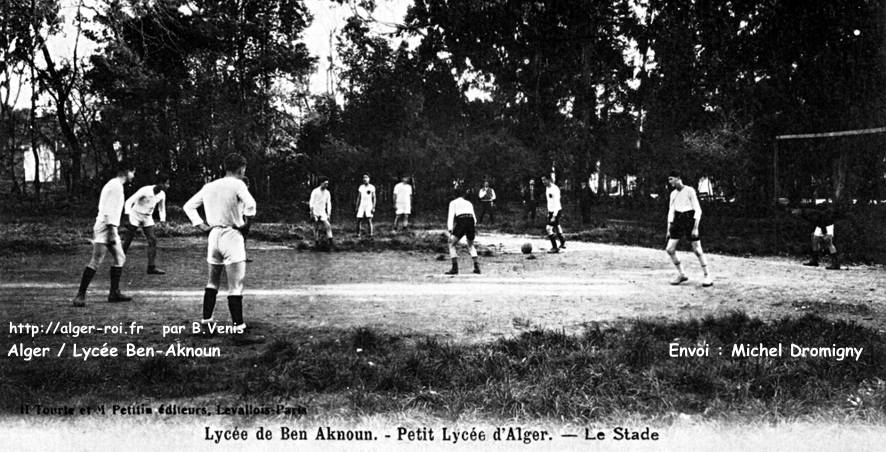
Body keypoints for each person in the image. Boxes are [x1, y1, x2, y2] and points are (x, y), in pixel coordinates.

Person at [183, 153, 259, 340]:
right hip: (232, 235)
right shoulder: (238, 184)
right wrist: (246, 225)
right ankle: (239, 330)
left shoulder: (209, 186)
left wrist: (201, 225)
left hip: (213, 235)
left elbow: (188, 206)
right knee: (235, 286)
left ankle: (206, 324)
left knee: (212, 282)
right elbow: (251, 205)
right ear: (241, 168)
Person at [71, 162, 136, 307]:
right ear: (127, 171)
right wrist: (112, 232)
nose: (134, 175)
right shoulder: (115, 186)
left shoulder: (115, 185)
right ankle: (80, 295)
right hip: (105, 227)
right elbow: (108, 211)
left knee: (120, 257)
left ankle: (114, 293)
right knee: (96, 260)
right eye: (133, 172)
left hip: (110, 226)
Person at [665, 171, 712, 287]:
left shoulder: (690, 190)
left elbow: (698, 210)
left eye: (671, 179)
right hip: (678, 221)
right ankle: (682, 274)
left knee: (697, 250)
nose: (670, 182)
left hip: (689, 219)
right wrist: (668, 229)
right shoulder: (673, 194)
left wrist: (695, 228)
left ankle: (707, 276)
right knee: (670, 249)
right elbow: (671, 211)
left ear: (678, 178)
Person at [121, 173, 169, 274]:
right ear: (160, 183)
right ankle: (118, 262)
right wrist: (127, 216)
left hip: (147, 217)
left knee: (152, 240)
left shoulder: (162, 195)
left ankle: (151, 267)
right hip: (135, 215)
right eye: (167, 184)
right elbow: (129, 202)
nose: (168, 186)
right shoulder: (145, 190)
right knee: (128, 239)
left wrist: (163, 220)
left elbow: (161, 208)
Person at [788, 202, 840, 269]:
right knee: (814, 240)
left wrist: (825, 233)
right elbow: (815, 222)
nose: (792, 212)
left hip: (827, 224)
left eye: (793, 210)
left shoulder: (808, 213)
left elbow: (821, 220)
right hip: (820, 225)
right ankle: (814, 261)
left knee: (829, 243)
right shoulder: (804, 214)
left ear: (798, 209)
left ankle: (836, 264)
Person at [445, 186, 481, 275]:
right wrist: (472, 227)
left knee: (451, 244)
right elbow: (474, 219)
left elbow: (451, 217)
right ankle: (477, 267)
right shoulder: (469, 203)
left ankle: (455, 268)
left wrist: (450, 229)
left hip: (462, 221)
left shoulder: (453, 203)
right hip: (471, 221)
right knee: (471, 245)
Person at [542, 175, 566, 253]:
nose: (543, 182)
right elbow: (549, 201)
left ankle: (555, 247)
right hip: (551, 211)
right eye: (542, 180)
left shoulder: (555, 189)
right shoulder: (547, 188)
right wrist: (549, 212)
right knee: (556, 226)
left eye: (544, 180)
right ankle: (562, 242)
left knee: (548, 228)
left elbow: (556, 202)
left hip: (557, 210)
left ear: (549, 180)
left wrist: (554, 215)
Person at [310, 177, 334, 250]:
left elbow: (328, 203)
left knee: (328, 226)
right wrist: (312, 213)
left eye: (327, 184)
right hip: (315, 211)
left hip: (322, 212)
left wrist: (329, 213)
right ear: (321, 183)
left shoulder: (327, 193)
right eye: (325, 183)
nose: (326, 185)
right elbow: (311, 202)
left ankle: (331, 242)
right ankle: (316, 243)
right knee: (316, 227)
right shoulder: (315, 191)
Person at [240, 176, 254, 263]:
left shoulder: (243, 193)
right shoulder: (242, 194)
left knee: (243, 237)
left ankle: (242, 256)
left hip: (245, 216)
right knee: (242, 237)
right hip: (243, 217)